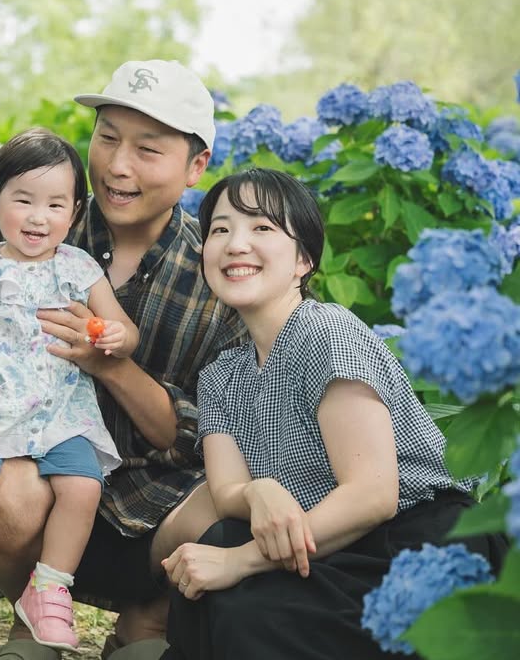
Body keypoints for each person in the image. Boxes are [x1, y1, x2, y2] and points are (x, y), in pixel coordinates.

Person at [0, 60, 247, 660]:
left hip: (156, 504)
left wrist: (112, 367)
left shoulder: (213, 271)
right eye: (108, 138)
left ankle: (149, 619)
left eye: (148, 149)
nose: (118, 165)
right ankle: (32, 621)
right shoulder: (30, 221)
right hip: (37, 480)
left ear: (196, 166)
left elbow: (205, 434)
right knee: (3, 487)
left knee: (234, 498)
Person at [160, 168, 506, 659]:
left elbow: (373, 496)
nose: (236, 243)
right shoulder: (222, 375)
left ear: (303, 259)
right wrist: (260, 490)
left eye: (261, 228)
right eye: (221, 229)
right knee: (218, 541)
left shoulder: (326, 333)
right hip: (325, 543)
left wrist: (241, 560)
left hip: (412, 545)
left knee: (238, 591)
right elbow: (226, 491)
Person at [0, 128, 141, 659]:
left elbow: (122, 327)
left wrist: (113, 336)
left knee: (82, 487)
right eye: (23, 200)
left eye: (56, 204)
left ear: (76, 211)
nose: (39, 217)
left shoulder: (79, 268)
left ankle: (49, 587)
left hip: (59, 405)